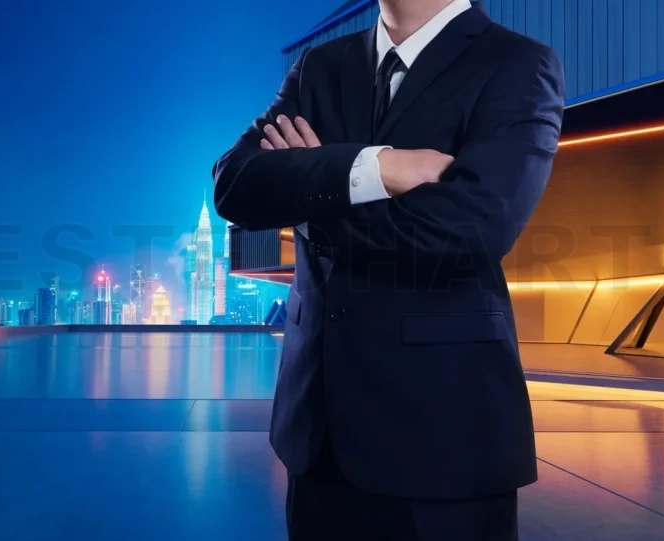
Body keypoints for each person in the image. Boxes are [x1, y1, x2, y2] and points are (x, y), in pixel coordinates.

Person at [211, 0, 564, 539]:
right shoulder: (319, 67)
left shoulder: (516, 63)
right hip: (317, 432)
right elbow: (234, 183)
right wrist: (378, 168)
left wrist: (310, 202)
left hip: (445, 435)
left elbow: (469, 230)